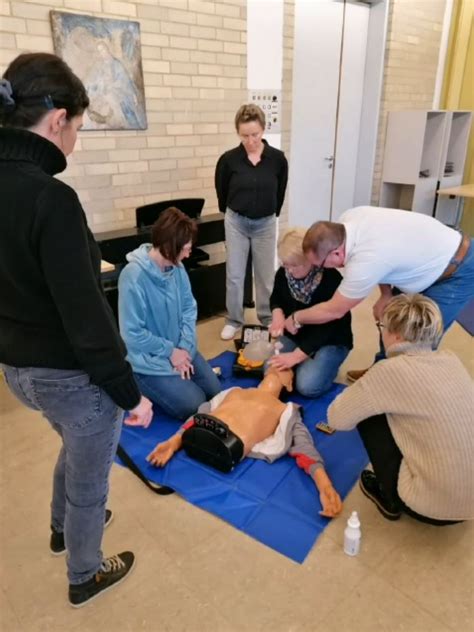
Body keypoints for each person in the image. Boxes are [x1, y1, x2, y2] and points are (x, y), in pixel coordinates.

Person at [0, 53, 152, 608]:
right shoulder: (50, 198)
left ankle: (61, 527)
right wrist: (128, 394)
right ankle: (84, 574)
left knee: (73, 443)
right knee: (93, 482)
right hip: (68, 374)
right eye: (79, 129)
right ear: (58, 119)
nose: (75, 144)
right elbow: (86, 316)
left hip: (17, 371)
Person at [327, 294, 474, 525]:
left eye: (381, 327)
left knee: (369, 416)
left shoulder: (389, 370)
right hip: (470, 507)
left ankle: (390, 497)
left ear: (396, 334)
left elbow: (337, 418)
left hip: (429, 507)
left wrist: (359, 393)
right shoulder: (451, 358)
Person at [286, 206, 474, 382]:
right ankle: (381, 375)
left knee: (419, 339)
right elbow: (385, 255)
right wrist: (385, 295)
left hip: (457, 268)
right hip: (422, 258)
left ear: (336, 253)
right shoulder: (348, 221)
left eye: (320, 264)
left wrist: (296, 317)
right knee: (391, 321)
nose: (319, 269)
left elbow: (334, 310)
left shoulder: (365, 262)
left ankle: (404, 391)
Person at [145, 366, 343, 518]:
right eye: (273, 364)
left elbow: (303, 445)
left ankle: (208, 442)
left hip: (229, 446)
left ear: (289, 384)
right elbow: (203, 411)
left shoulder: (285, 410)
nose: (277, 366)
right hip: (200, 433)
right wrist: (174, 440)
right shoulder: (234, 391)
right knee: (206, 421)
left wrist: (324, 485)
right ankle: (199, 441)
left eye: (285, 369)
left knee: (218, 437)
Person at [118, 207, 221, 421]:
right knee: (194, 405)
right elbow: (132, 333)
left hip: (181, 350)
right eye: (185, 249)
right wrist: (170, 352)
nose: (188, 254)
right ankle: (141, 383)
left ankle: (178, 373)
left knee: (215, 392)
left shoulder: (178, 268)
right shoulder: (133, 276)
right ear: (168, 246)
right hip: (148, 361)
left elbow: (188, 309)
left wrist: (184, 347)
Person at [215, 103, 289, 340]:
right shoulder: (228, 160)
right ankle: (234, 319)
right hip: (236, 221)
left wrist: (271, 212)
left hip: (265, 223)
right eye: (244, 135)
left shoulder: (277, 159)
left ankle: (266, 317)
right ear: (238, 133)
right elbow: (222, 191)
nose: (250, 140)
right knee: (235, 275)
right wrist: (232, 213)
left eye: (254, 134)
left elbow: (280, 191)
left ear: (263, 130)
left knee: (266, 275)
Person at [267, 228, 353, 397]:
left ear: (311, 260)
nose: (290, 271)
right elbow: (276, 297)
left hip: (330, 340)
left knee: (307, 385)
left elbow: (329, 328)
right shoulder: (284, 274)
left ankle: (328, 366)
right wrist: (277, 314)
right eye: (285, 264)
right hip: (298, 334)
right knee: (269, 367)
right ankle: (307, 363)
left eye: (295, 265)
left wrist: (297, 356)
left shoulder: (331, 280)